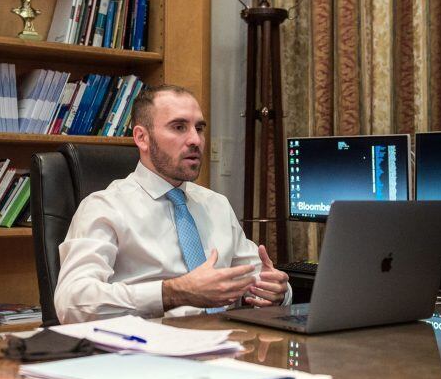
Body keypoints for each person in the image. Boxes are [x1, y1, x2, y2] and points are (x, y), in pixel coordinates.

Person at [54, 84, 291, 324]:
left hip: (224, 345)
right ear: (142, 137)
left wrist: (277, 291)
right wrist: (172, 293)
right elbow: (71, 303)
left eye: (199, 128)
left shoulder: (217, 205)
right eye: (179, 127)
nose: (195, 140)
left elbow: (259, 279)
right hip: (145, 352)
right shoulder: (104, 207)